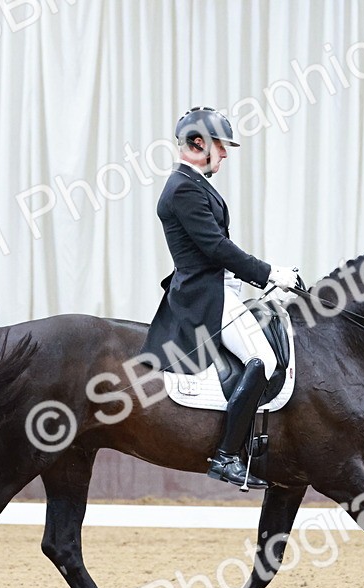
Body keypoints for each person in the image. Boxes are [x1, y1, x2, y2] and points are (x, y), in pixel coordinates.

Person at [140, 106, 299, 489]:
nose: (225, 154)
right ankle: (227, 455)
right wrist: (268, 273)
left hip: (221, 290)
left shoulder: (194, 185)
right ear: (198, 143)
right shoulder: (182, 189)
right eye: (219, 146)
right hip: (206, 297)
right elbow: (216, 248)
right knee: (262, 359)